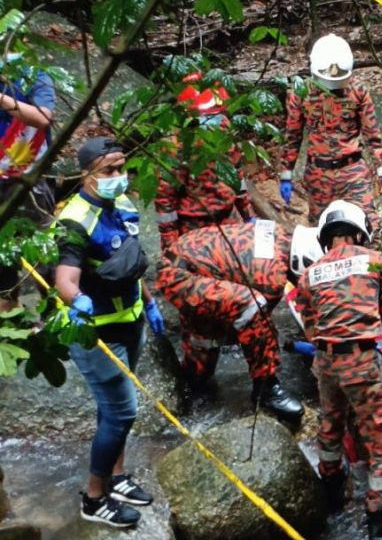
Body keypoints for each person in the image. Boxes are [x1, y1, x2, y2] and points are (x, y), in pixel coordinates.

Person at [55, 137, 165, 528]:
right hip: (95, 331)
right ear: (86, 176)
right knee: (122, 410)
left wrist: (149, 303)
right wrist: (76, 300)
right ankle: (94, 497)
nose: (118, 177)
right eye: (109, 171)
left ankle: (116, 477)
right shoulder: (74, 220)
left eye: (122, 169)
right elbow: (65, 278)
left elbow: (131, 262)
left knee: (112, 411)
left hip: (129, 319)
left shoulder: (123, 205)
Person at [294, 200, 382, 540]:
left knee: (331, 422)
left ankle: (333, 493)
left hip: (325, 360)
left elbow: (308, 321)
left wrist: (324, 342)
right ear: (358, 232)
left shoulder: (310, 273)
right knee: (381, 435)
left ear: (326, 237)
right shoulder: (376, 262)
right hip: (361, 360)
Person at [155, 220, 322, 423]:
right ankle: (266, 388)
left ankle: (190, 378)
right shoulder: (271, 276)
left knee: (200, 371)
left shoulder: (277, 231)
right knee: (255, 309)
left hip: (193, 267)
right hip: (184, 277)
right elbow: (257, 327)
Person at [277, 33, 382, 245]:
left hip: (352, 173)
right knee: (321, 232)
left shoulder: (358, 92)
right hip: (318, 175)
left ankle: (371, 273)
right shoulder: (301, 92)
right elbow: (293, 135)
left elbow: (372, 135)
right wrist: (286, 172)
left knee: (370, 227)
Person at [155, 72, 256, 251]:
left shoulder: (224, 127)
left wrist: (247, 213)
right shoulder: (176, 144)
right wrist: (170, 243)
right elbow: (165, 198)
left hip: (228, 218)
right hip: (194, 225)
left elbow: (236, 173)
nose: (213, 122)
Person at [0, 54, 56, 311]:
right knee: (3, 261)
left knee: (38, 251)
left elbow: (43, 117)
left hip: (28, 178)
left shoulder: (33, 74)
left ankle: (36, 314)